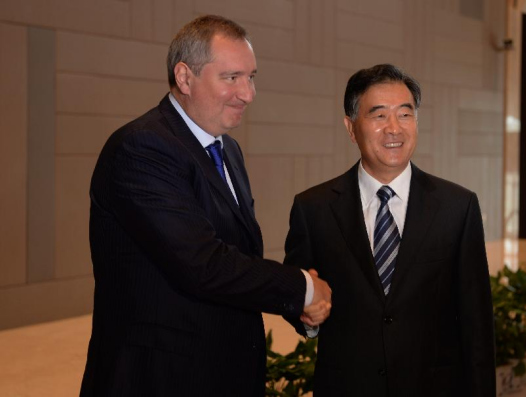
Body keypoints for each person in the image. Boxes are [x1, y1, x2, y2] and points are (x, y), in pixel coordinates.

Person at [80, 15, 331, 397]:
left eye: (251, 77)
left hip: (222, 371)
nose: (248, 93)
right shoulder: (141, 148)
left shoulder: (227, 149)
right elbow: (203, 264)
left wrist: (294, 305)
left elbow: (237, 256)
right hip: (159, 379)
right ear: (184, 77)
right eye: (232, 78)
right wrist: (302, 288)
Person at [283, 64, 496, 396]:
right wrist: (306, 316)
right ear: (351, 128)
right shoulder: (314, 209)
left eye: (405, 115)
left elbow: (477, 325)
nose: (394, 128)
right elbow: (296, 294)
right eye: (379, 116)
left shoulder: (457, 207)